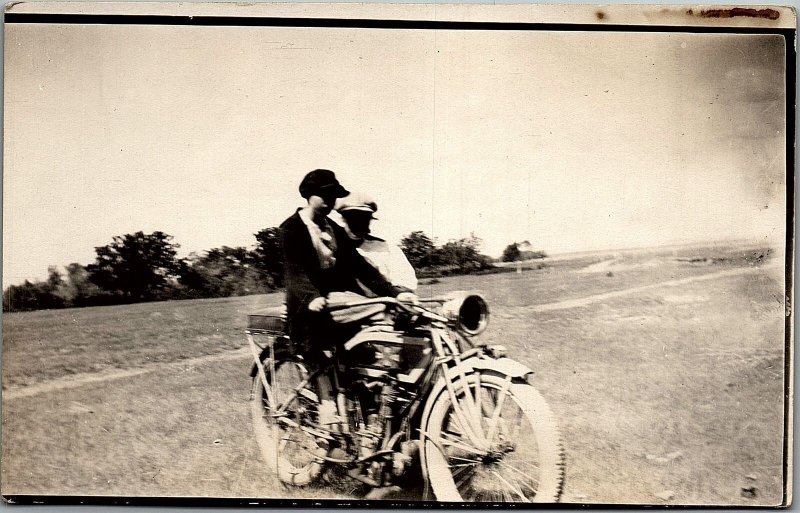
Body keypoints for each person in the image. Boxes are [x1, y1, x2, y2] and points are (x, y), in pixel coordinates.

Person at [279, 169, 415, 429]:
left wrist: (394, 291)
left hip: (338, 302)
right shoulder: (291, 229)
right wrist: (311, 297)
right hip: (310, 309)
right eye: (325, 194)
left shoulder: (333, 229)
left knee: (384, 314)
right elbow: (294, 271)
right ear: (309, 195)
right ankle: (328, 413)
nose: (330, 200)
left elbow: (360, 266)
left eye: (334, 195)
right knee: (326, 367)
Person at [334, 192, 418, 296]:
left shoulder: (387, 248)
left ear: (370, 220)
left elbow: (406, 284)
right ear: (343, 219)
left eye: (364, 218)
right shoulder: (333, 248)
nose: (359, 223)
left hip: (386, 304)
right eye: (353, 217)